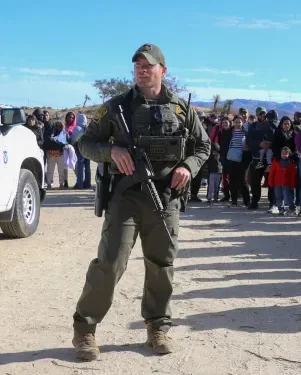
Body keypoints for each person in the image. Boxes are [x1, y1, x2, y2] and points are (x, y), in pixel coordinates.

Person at [71, 43, 210, 361]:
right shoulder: (115, 107)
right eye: (137, 65)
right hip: (127, 196)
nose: (141, 69)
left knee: (161, 264)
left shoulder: (181, 110)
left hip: (165, 198)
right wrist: (111, 152)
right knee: (110, 263)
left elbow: (203, 146)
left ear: (163, 70)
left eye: (148, 65)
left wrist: (187, 168)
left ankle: (158, 326)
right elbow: (85, 143)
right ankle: (85, 331)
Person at [222, 116, 251, 207]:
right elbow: (224, 145)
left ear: (242, 123)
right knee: (232, 180)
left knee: (243, 180)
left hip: (243, 159)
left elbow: (250, 144)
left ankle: (247, 201)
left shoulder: (246, 132)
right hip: (231, 158)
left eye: (239, 122)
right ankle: (234, 200)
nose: (238, 124)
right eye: (236, 122)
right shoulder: (228, 132)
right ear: (233, 123)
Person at [268, 147, 297, 215]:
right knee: (278, 197)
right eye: (283, 153)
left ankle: (291, 208)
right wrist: (270, 182)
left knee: (288, 197)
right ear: (280, 154)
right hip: (277, 183)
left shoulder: (291, 164)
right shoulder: (276, 162)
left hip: (287, 184)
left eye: (286, 154)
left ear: (289, 154)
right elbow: (272, 172)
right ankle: (280, 209)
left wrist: (293, 185)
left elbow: (293, 176)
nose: (284, 155)